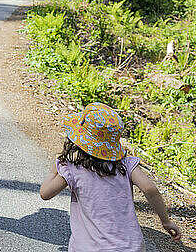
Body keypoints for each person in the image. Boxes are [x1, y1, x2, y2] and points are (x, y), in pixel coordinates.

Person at [40, 102, 182, 251]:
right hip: (130, 247)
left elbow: (45, 193)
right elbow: (149, 188)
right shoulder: (126, 164)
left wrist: (55, 170)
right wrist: (166, 222)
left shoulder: (73, 168)